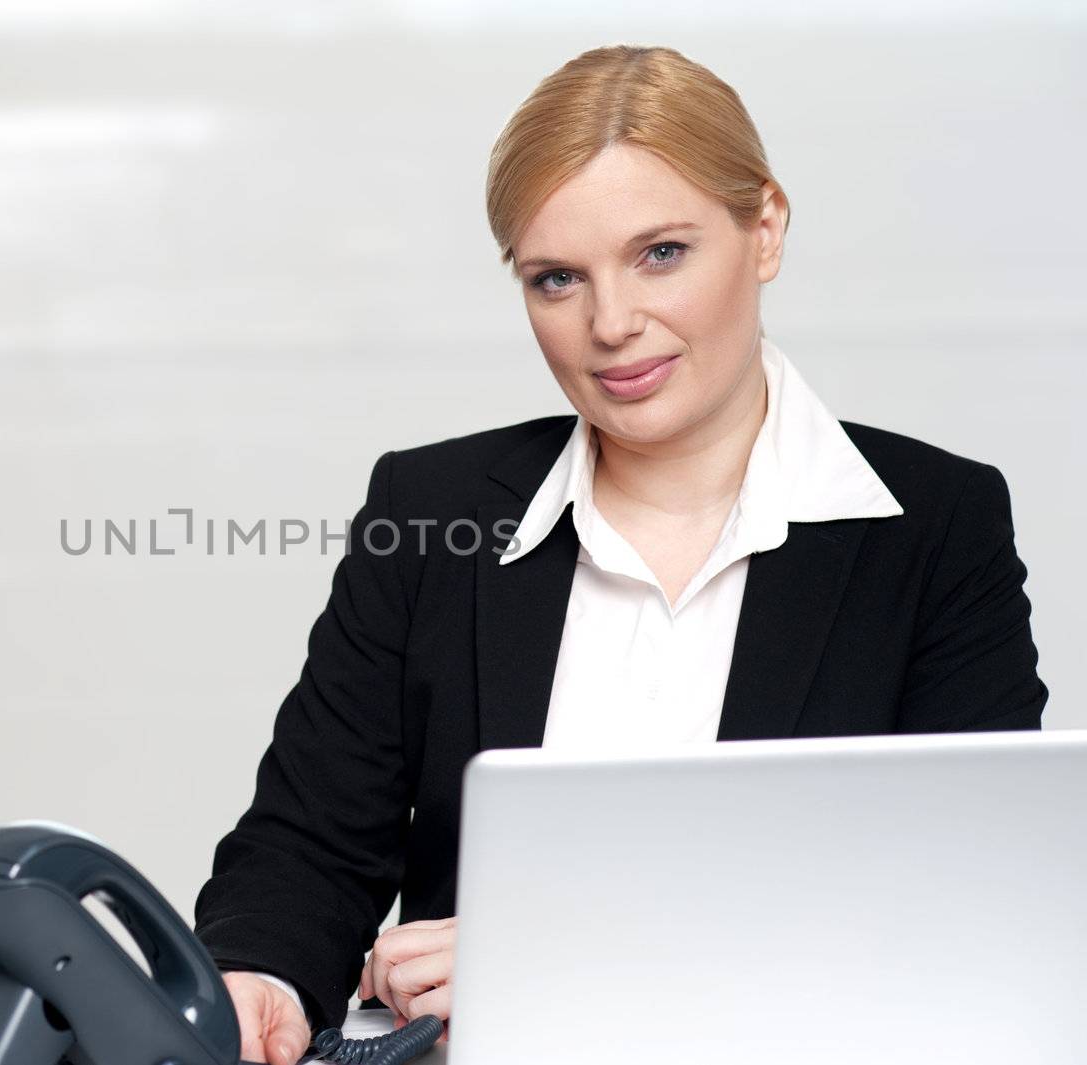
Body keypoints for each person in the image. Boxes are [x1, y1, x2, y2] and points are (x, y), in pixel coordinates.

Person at [192, 44, 1048, 1065]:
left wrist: (556, 956)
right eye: (556, 279)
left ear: (763, 229)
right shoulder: (429, 510)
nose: (611, 325)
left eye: (660, 254)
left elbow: (963, 903)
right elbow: (306, 844)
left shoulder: (933, 524)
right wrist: (261, 979)